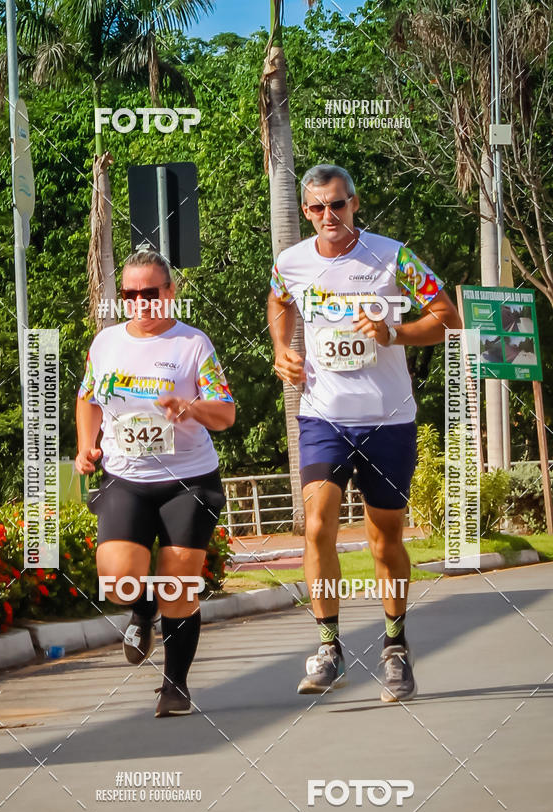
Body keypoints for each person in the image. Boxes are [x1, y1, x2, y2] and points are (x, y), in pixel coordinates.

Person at [267, 164, 461, 701]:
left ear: (355, 204)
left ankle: (395, 647)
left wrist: (394, 331)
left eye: (337, 205)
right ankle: (329, 647)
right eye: (316, 208)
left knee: (384, 541)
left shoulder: (392, 256)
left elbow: (449, 317)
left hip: (388, 418)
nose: (328, 216)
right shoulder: (291, 262)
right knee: (316, 526)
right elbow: (279, 301)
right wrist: (284, 350)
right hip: (323, 416)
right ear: (305, 212)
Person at [75, 248, 235, 717]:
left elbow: (225, 413)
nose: (141, 302)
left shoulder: (192, 345)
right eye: (131, 294)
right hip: (125, 476)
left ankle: (175, 685)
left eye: (150, 292)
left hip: (188, 480)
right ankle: (142, 611)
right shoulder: (106, 344)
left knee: (178, 586)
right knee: (118, 579)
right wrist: (87, 446)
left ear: (170, 292)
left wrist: (190, 407)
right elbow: (88, 397)